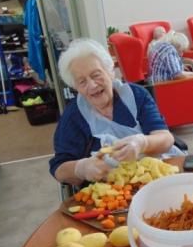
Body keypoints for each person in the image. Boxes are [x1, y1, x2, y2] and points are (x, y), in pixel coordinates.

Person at [49, 38, 178, 186]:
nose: (92, 85)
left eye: (96, 75)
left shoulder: (136, 95)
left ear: (110, 72)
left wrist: (142, 142)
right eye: (82, 81)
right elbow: (58, 169)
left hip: (157, 180)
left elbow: (166, 138)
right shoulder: (73, 116)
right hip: (114, 194)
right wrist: (81, 168)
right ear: (76, 87)